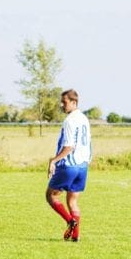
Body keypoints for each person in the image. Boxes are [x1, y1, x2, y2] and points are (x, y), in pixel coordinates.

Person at [45, 89, 91, 241]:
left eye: (64, 102)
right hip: (82, 166)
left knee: (50, 196)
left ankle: (70, 221)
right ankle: (75, 236)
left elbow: (68, 146)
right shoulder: (84, 119)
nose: (62, 105)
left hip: (69, 166)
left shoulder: (70, 120)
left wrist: (54, 160)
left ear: (74, 102)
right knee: (72, 201)